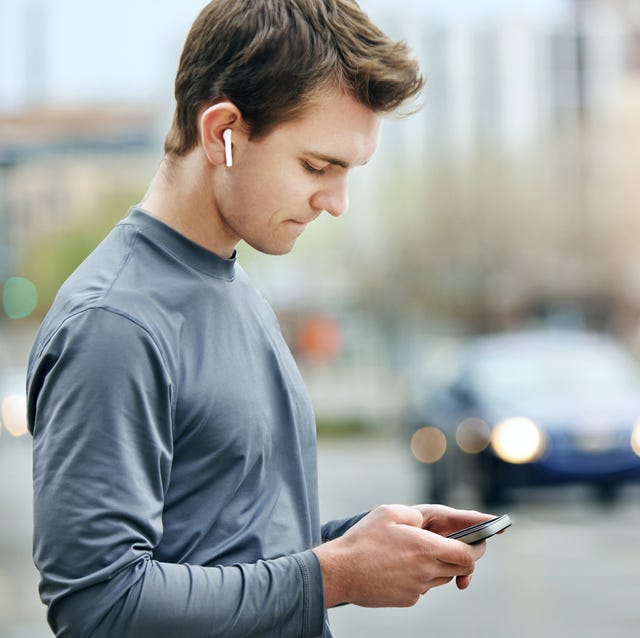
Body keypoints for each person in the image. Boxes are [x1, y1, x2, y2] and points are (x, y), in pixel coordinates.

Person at [26, 1, 495, 637]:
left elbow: (230, 543)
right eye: (317, 166)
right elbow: (99, 606)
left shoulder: (235, 284)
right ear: (223, 130)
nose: (336, 202)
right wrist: (338, 575)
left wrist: (365, 544)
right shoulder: (114, 324)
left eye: (348, 172)